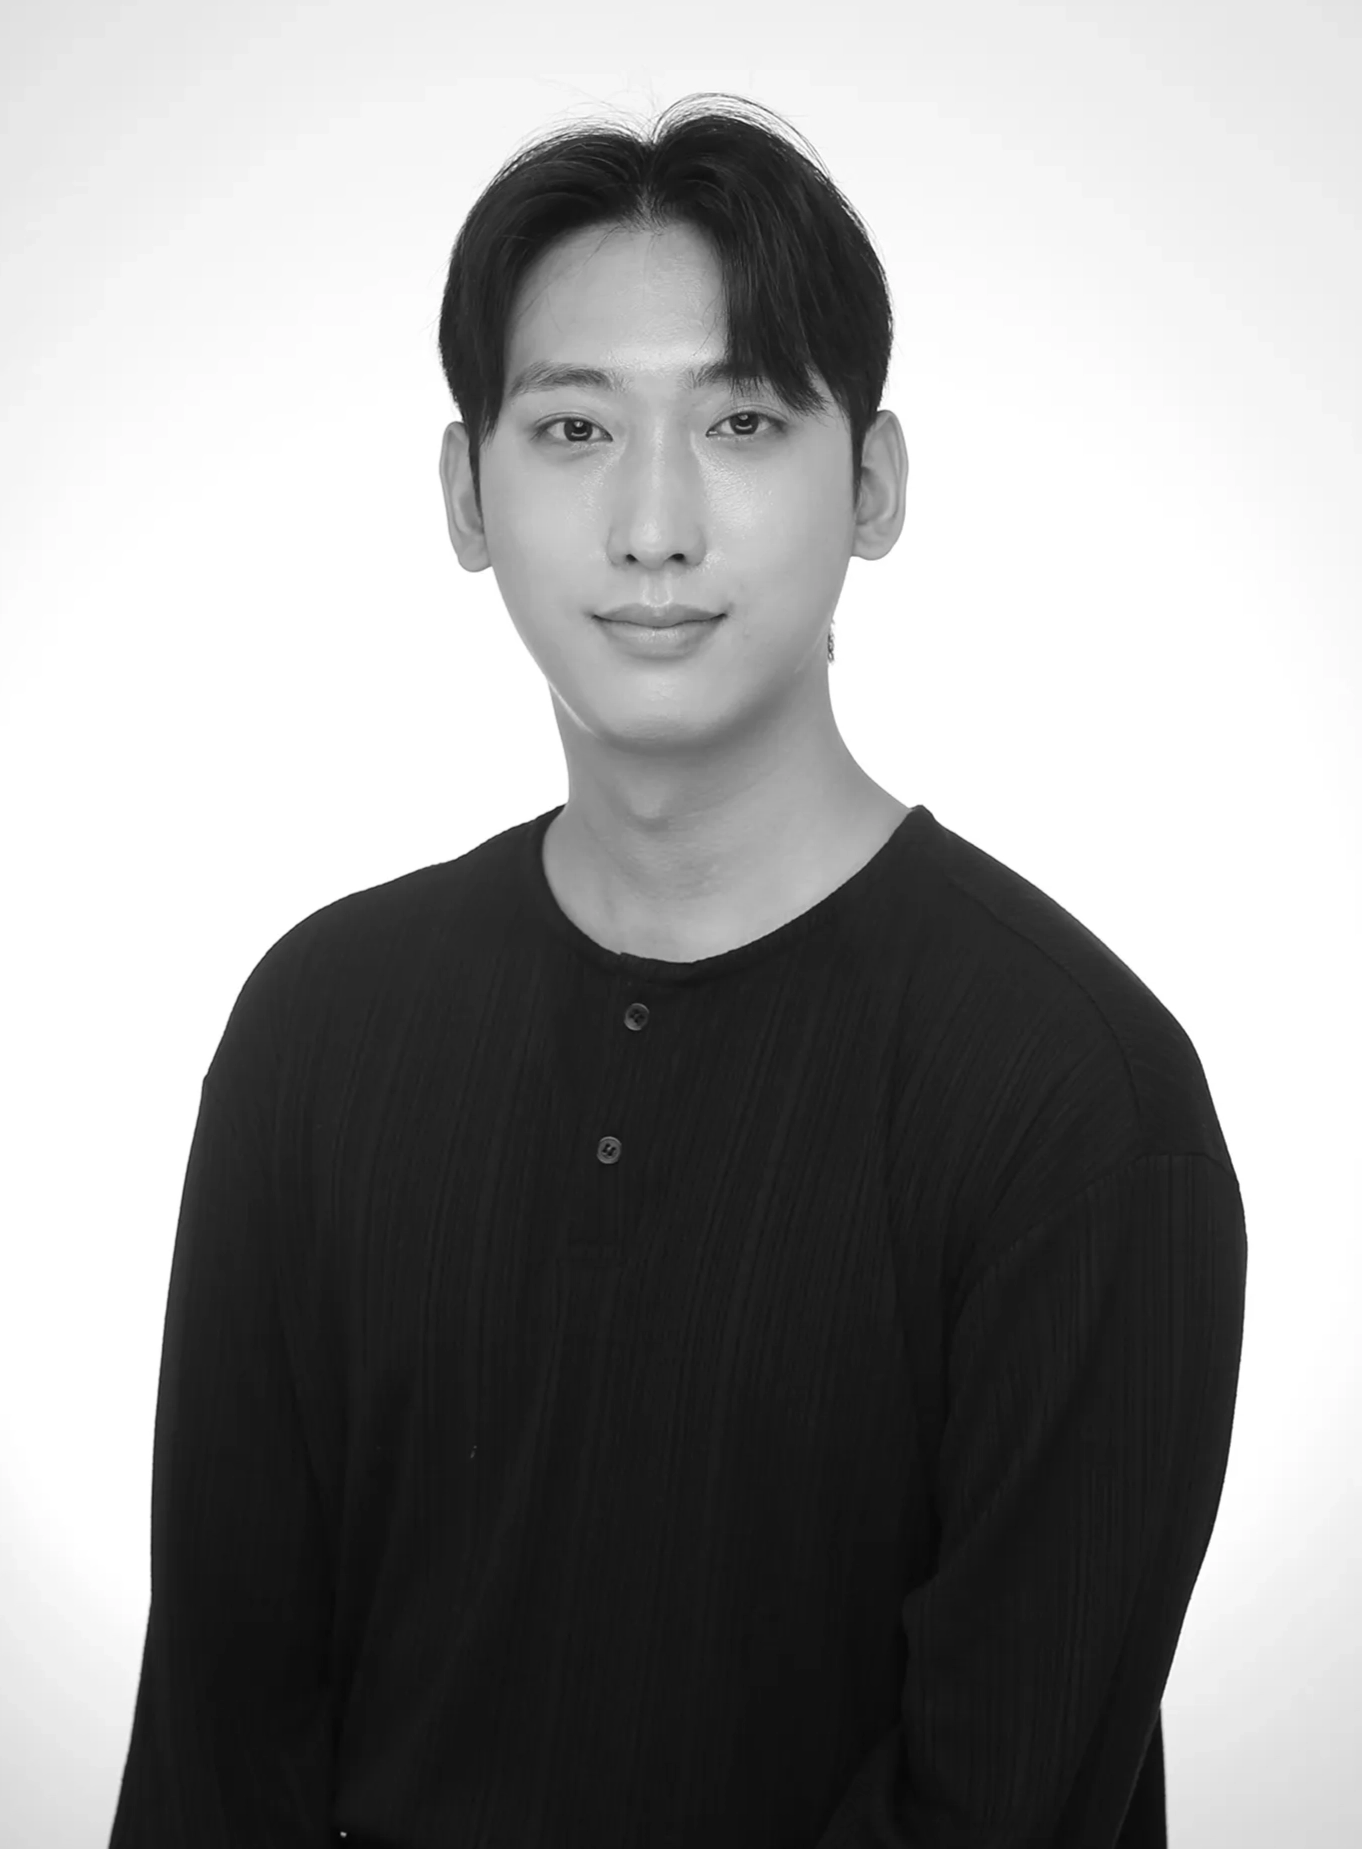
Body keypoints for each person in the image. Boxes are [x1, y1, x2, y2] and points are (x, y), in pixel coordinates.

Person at [108, 92, 1247, 1849]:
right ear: (464, 493)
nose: (653, 525)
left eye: (742, 420)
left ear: (871, 484)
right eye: (573, 427)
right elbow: (215, 1745)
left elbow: (1003, 1804)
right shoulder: (320, 1031)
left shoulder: (1073, 1098)